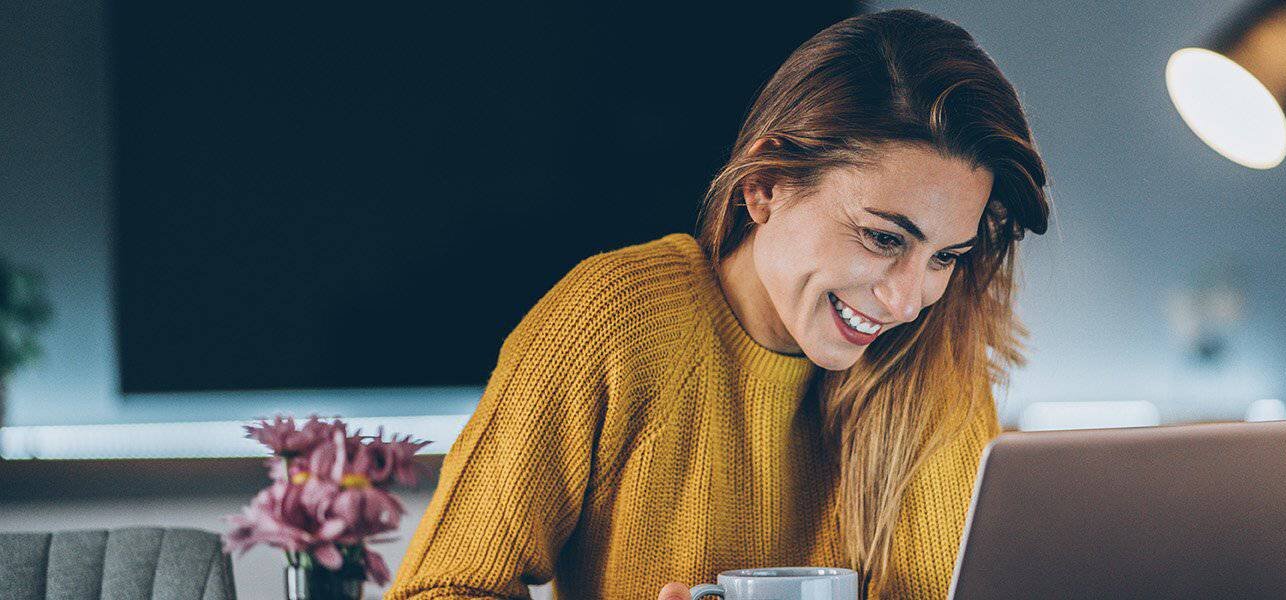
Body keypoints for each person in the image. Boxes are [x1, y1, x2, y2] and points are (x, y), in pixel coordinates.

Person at [385, 8, 1049, 600]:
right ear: (765, 187)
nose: (908, 300)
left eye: (945, 257)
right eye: (882, 237)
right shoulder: (614, 321)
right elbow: (441, 587)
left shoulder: (942, 361)